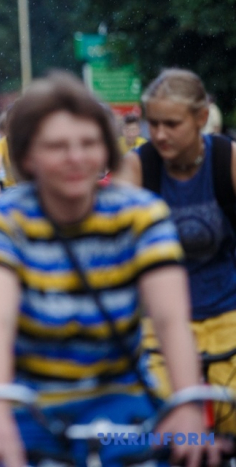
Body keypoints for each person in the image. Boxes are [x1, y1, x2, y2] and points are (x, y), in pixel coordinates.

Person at [0, 72, 218, 467]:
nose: (75, 158)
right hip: (28, 405)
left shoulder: (142, 214)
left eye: (88, 144)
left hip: (121, 403)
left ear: (106, 151)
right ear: (28, 154)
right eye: (57, 146)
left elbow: (171, 320)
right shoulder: (6, 220)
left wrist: (186, 405)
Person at [115, 69, 236, 433]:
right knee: (163, 430)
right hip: (159, 324)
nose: (160, 134)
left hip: (228, 315)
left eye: (172, 123)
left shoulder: (227, 162)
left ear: (201, 118)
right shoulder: (137, 168)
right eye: (153, 124)